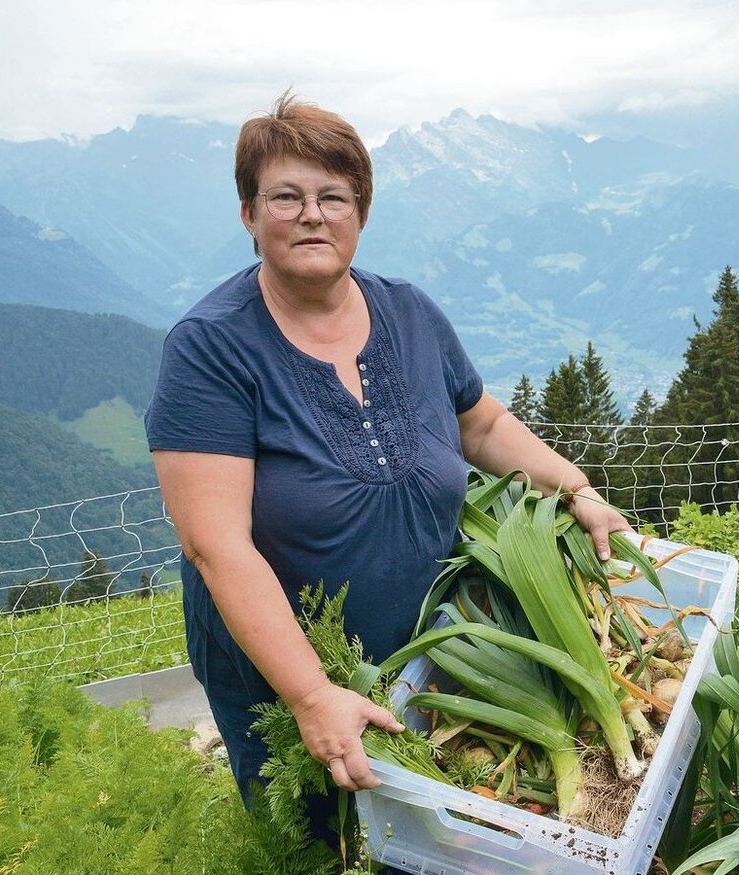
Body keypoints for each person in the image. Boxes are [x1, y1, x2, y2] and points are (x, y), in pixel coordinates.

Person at [144, 92, 629, 851]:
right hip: (289, 676)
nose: (312, 214)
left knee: (438, 844)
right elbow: (217, 546)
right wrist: (310, 694)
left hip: (430, 653)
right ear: (248, 213)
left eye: (333, 196)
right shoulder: (211, 349)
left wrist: (578, 490)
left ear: (360, 212)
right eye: (286, 196)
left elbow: (485, 423)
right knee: (323, 845)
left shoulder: (410, 313)